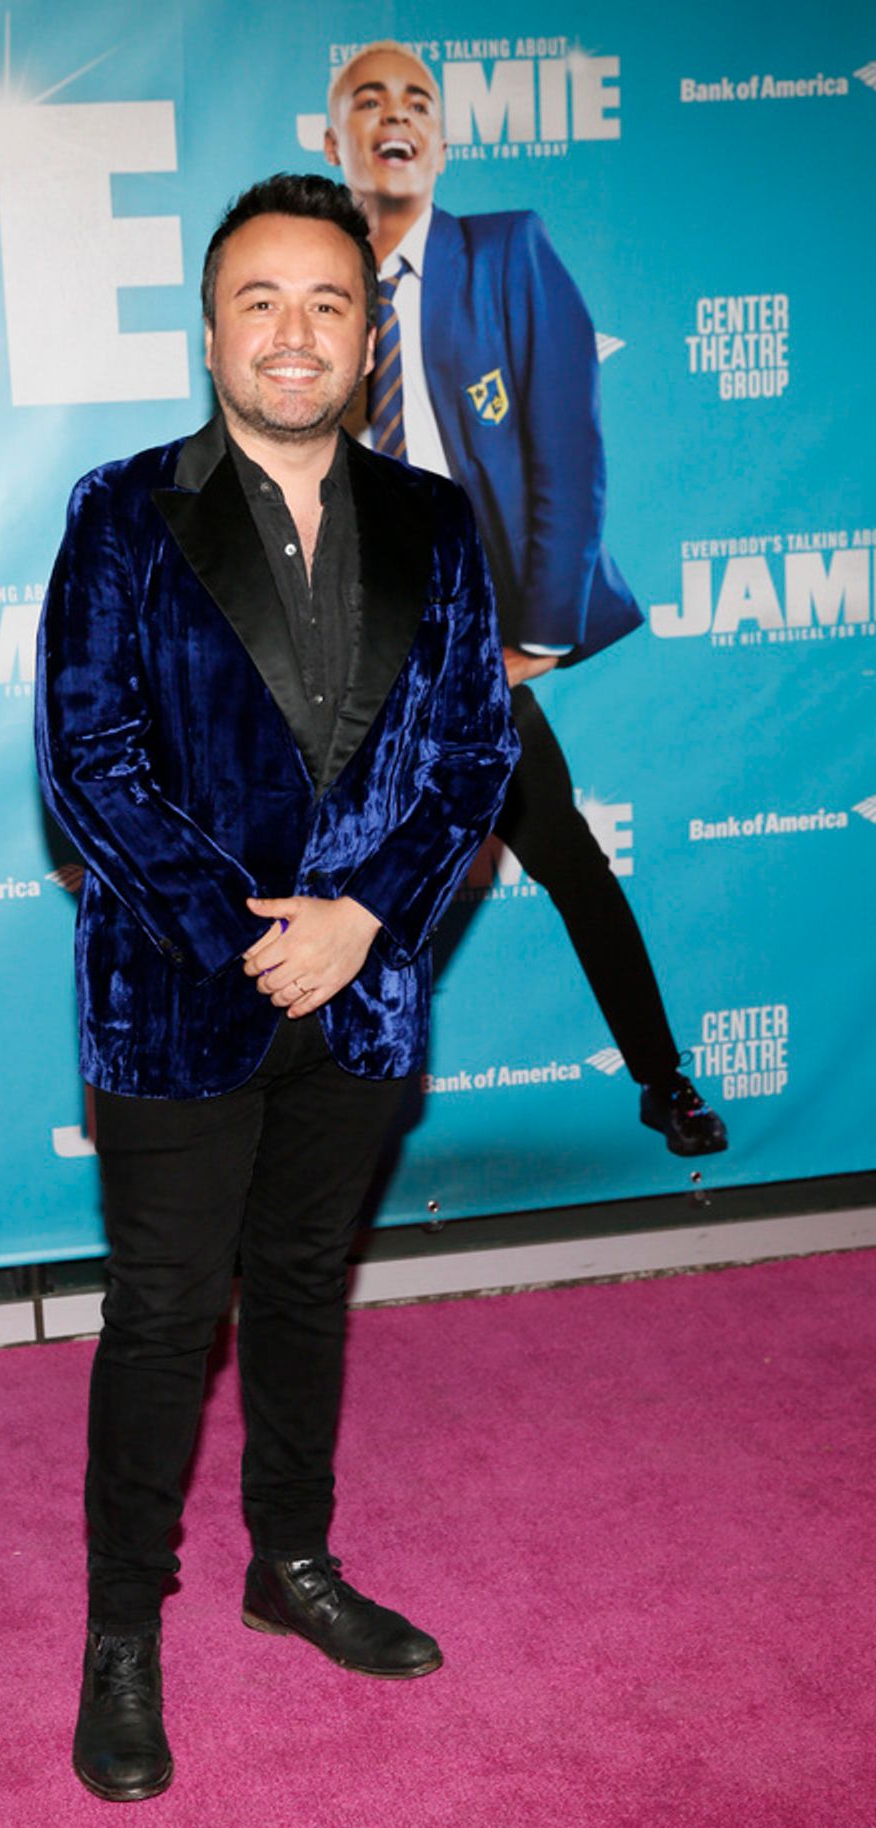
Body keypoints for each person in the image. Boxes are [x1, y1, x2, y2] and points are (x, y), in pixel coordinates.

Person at [35, 173, 518, 1801]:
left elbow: (475, 755)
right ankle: (121, 1631)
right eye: (261, 300)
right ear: (210, 327)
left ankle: (289, 1559)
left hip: (366, 995)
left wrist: (365, 916)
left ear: (372, 338)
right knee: (169, 1316)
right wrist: (260, 929)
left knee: (306, 1287)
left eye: (329, 301)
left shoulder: (441, 528)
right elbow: (85, 760)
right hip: (180, 991)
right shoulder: (120, 513)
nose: (295, 332)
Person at [325, 42, 726, 1159]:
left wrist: (535, 640)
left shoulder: (507, 254)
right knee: (345, 897)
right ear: (334, 143)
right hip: (349, 663)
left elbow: (570, 449)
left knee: (572, 865)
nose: (395, 116)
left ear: (442, 141)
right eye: (369, 101)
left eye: (417, 102)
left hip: (470, 655)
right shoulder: (319, 287)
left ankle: (663, 1078)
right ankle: (295, 1125)